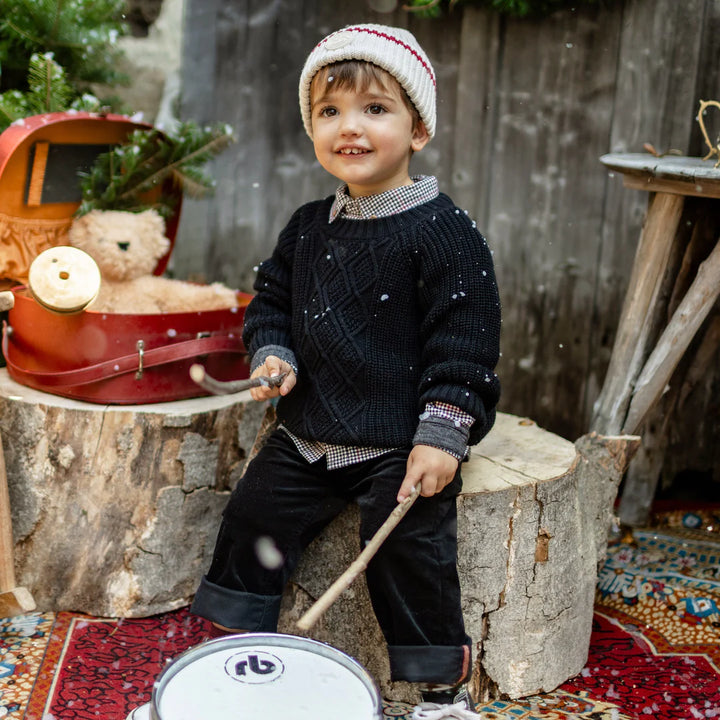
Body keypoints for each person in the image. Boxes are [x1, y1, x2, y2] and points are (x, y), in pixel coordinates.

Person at [191, 23, 501, 719]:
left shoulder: (444, 232)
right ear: (311, 129)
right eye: (329, 112)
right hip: (310, 430)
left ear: (418, 130)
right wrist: (276, 354)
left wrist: (443, 432)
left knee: (409, 546)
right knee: (253, 516)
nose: (349, 127)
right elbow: (269, 303)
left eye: (375, 109)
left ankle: (439, 691)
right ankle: (240, 649)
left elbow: (467, 347)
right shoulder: (307, 226)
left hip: (398, 437)